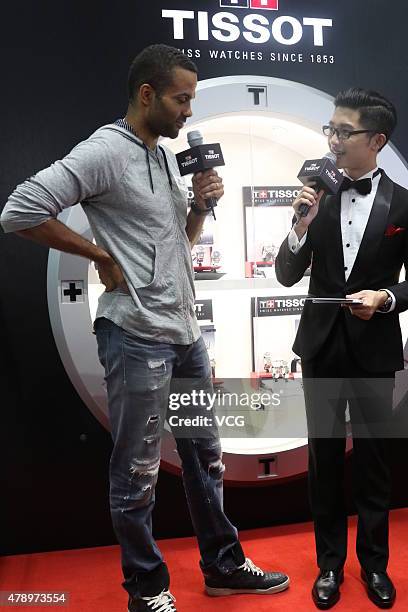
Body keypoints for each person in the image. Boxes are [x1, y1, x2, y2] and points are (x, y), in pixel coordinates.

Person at [1, 45, 289, 611]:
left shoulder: (161, 153)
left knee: (205, 457)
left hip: (183, 335)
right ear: (147, 94)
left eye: (193, 99)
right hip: (135, 337)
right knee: (137, 468)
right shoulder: (106, 150)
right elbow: (20, 210)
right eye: (182, 99)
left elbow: (175, 250)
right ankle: (146, 589)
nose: (189, 111)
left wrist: (200, 209)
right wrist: (96, 255)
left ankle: (224, 565)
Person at [275, 87, 405, 609]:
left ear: (376, 140)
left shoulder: (403, 203)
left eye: (342, 132)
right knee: (324, 459)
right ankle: (329, 565)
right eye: (329, 129)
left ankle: (375, 566)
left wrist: (387, 297)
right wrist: (298, 225)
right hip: (323, 348)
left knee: (373, 462)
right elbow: (287, 276)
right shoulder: (317, 193)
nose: (331, 140)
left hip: (375, 350)